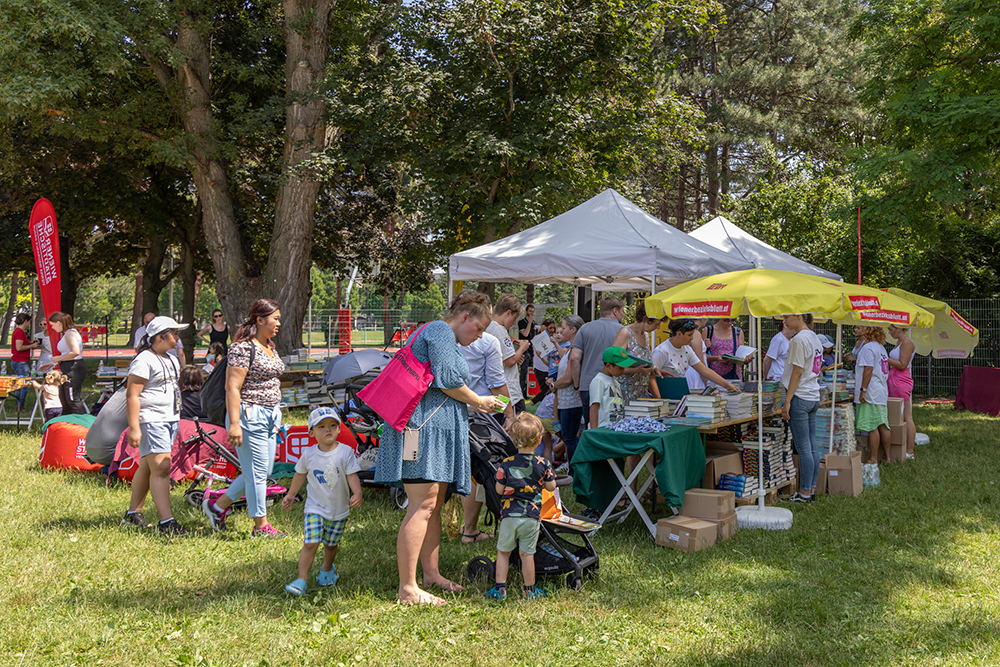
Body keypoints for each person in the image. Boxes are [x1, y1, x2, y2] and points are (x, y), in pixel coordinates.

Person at [374, 291, 503, 605]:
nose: (480, 335)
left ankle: (430, 574)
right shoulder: (440, 330)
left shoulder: (439, 333)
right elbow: (446, 381)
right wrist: (480, 401)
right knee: (422, 506)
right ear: (464, 318)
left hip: (432, 432)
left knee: (433, 504)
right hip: (422, 432)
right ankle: (408, 589)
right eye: (480, 328)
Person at [201, 299, 288, 537]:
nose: (279, 323)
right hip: (250, 414)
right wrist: (235, 423)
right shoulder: (241, 348)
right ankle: (260, 527)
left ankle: (217, 506)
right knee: (258, 474)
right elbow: (232, 388)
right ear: (260, 320)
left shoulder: (269, 345)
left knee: (261, 471)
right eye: (275, 318)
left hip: (270, 416)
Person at [282, 407, 362, 596]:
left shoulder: (346, 452)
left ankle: (327, 569)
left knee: (331, 544)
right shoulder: (309, 454)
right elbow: (299, 475)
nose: (328, 430)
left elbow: (352, 475)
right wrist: (291, 495)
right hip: (314, 507)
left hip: (338, 509)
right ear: (311, 432)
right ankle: (302, 580)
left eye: (333, 425)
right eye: (322, 426)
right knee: (311, 542)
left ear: (339, 429)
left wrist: (357, 493)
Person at [121, 316, 189, 535]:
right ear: (161, 336)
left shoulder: (171, 359)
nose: (178, 338)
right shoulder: (144, 360)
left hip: (170, 418)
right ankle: (166, 522)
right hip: (152, 419)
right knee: (161, 467)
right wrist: (134, 427)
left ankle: (133, 514)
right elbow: (132, 394)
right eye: (175, 334)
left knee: (148, 465)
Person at [484, 412, 556, 601]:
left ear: (513, 440)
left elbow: (499, 490)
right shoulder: (543, 464)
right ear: (540, 439)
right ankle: (530, 590)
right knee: (526, 554)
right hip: (531, 517)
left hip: (509, 516)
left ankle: (500, 589)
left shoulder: (506, 464)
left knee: (503, 552)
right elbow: (551, 486)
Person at [459, 329, 513, 545]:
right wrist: (509, 412)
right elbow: (496, 382)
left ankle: (464, 527)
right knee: (478, 473)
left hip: (451, 412)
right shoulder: (489, 341)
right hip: (480, 417)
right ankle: (469, 530)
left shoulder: (447, 336)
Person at [779, 314, 823, 503]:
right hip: (813, 394)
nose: (784, 321)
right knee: (812, 446)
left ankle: (804, 493)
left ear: (798, 316)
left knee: (804, 447)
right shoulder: (814, 337)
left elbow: (797, 372)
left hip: (800, 396)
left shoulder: (799, 339)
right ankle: (810, 489)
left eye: (786, 317)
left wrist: (787, 400)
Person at [568, 297, 625, 428]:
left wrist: (578, 385)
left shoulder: (584, 328)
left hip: (587, 385)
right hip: (614, 388)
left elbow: (574, 358)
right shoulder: (623, 331)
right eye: (622, 311)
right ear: (615, 311)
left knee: (591, 426)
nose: (623, 315)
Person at [652, 319, 742, 392]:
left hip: (679, 393)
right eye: (689, 335)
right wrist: (658, 399)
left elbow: (704, 370)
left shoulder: (686, 349)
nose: (692, 338)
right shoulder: (662, 351)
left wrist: (727, 385)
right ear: (679, 334)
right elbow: (651, 377)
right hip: (663, 396)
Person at [548, 315, 585, 465]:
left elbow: (569, 378)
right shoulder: (571, 349)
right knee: (568, 436)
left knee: (569, 437)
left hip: (571, 401)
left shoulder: (576, 350)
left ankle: (574, 471)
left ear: (573, 329)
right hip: (565, 401)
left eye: (563, 327)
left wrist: (554, 385)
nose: (560, 330)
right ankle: (577, 466)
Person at [612, 301, 662, 403]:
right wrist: (636, 370)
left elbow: (643, 361)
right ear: (645, 319)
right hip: (624, 394)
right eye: (656, 324)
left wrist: (653, 370)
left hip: (641, 395)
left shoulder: (646, 336)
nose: (658, 327)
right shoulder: (625, 333)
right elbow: (613, 365)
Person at [487, 294, 530, 414]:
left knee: (499, 425)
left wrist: (516, 358)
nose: (514, 322)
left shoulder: (488, 327)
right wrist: (522, 347)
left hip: (497, 390)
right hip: (509, 392)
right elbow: (509, 361)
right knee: (517, 428)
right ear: (508, 313)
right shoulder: (500, 330)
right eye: (514, 318)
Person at [855, 326, 891, 466]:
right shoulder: (881, 348)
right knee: (883, 425)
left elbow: (868, 369)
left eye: (863, 328)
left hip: (871, 392)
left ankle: (873, 458)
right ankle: (887, 457)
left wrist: (863, 390)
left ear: (868, 331)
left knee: (872, 426)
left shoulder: (868, 348)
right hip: (881, 390)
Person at [48, 312, 87, 415]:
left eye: (52, 325)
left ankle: (81, 424)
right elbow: (66, 353)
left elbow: (75, 352)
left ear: (58, 323)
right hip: (67, 367)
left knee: (72, 399)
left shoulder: (70, 333)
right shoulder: (66, 334)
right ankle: (68, 422)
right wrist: (52, 362)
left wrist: (58, 358)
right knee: (65, 399)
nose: (52, 328)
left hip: (73, 368)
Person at [887, 324, 916, 458]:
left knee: (906, 416)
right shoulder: (899, 342)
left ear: (899, 328)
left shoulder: (907, 342)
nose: (889, 332)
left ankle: (909, 451)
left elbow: (903, 364)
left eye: (891, 330)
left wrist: (885, 359)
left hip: (901, 380)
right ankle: (901, 445)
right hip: (894, 378)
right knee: (899, 415)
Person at [588, 346, 635, 429]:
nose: (623, 371)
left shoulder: (616, 382)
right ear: (609, 366)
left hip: (614, 428)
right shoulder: (599, 380)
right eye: (620, 368)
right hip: (602, 429)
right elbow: (594, 406)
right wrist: (594, 431)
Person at [10, 313, 39, 411]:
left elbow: (20, 344)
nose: (29, 324)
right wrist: (31, 346)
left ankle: (18, 405)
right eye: (29, 321)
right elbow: (19, 347)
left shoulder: (18, 332)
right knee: (24, 384)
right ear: (26, 321)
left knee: (20, 383)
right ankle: (20, 406)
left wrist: (29, 343)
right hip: (20, 361)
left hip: (19, 361)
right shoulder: (19, 332)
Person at [529, 319, 555, 405]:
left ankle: (543, 404)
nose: (552, 330)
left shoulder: (553, 339)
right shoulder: (537, 339)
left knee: (550, 389)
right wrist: (543, 332)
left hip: (549, 368)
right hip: (540, 368)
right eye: (550, 328)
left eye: (553, 328)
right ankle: (532, 402)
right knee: (546, 390)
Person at [684, 318, 711, 392]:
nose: (708, 320)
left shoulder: (694, 332)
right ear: (702, 318)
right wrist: (706, 380)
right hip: (696, 372)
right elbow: (699, 360)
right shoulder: (695, 333)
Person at [517, 304, 538, 399]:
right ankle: (520, 393)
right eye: (530, 311)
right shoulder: (521, 322)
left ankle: (530, 391)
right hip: (524, 351)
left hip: (532, 351)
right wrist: (529, 323)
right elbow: (525, 334)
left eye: (533, 312)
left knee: (532, 371)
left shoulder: (534, 323)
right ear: (526, 311)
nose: (531, 313)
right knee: (524, 372)